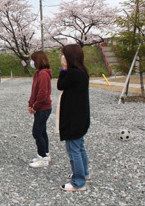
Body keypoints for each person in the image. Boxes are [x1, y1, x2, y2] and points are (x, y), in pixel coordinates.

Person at [57, 44, 90, 191]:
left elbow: (60, 85)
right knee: (80, 146)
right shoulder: (82, 71)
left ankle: (79, 182)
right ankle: (84, 172)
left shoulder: (73, 73)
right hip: (81, 116)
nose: (61, 57)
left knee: (73, 149)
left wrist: (64, 68)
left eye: (63, 55)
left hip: (73, 118)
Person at [27, 51, 52, 168]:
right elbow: (34, 91)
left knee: (36, 132)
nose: (31, 62)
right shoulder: (38, 73)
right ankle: (45, 154)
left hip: (43, 108)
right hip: (39, 107)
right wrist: (30, 104)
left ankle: (42, 157)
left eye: (33, 60)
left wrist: (35, 106)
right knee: (42, 131)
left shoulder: (43, 74)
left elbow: (42, 93)